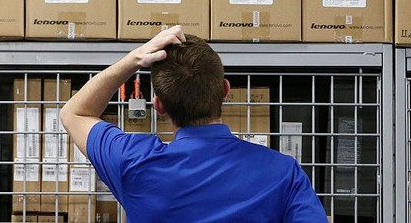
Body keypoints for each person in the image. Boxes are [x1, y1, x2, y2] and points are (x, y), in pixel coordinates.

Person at [60, 25, 329, 223]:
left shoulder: (133, 161)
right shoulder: (282, 171)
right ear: (225, 90)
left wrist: (134, 59)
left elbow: (74, 114)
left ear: (158, 105)